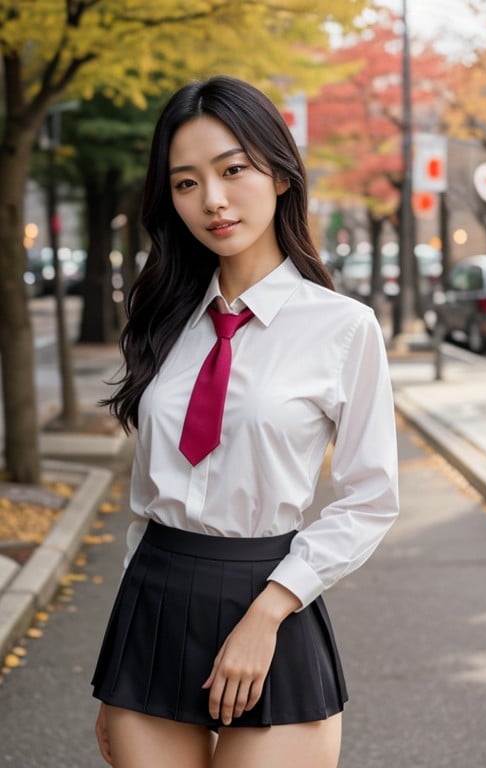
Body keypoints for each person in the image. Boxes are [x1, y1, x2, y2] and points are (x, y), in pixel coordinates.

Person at [91, 75, 399, 768]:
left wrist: (268, 611)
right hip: (154, 598)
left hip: (271, 599)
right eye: (186, 183)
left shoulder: (344, 329)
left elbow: (371, 498)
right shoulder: (163, 318)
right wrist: (121, 659)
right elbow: (144, 502)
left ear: (281, 174)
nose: (214, 201)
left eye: (233, 170)